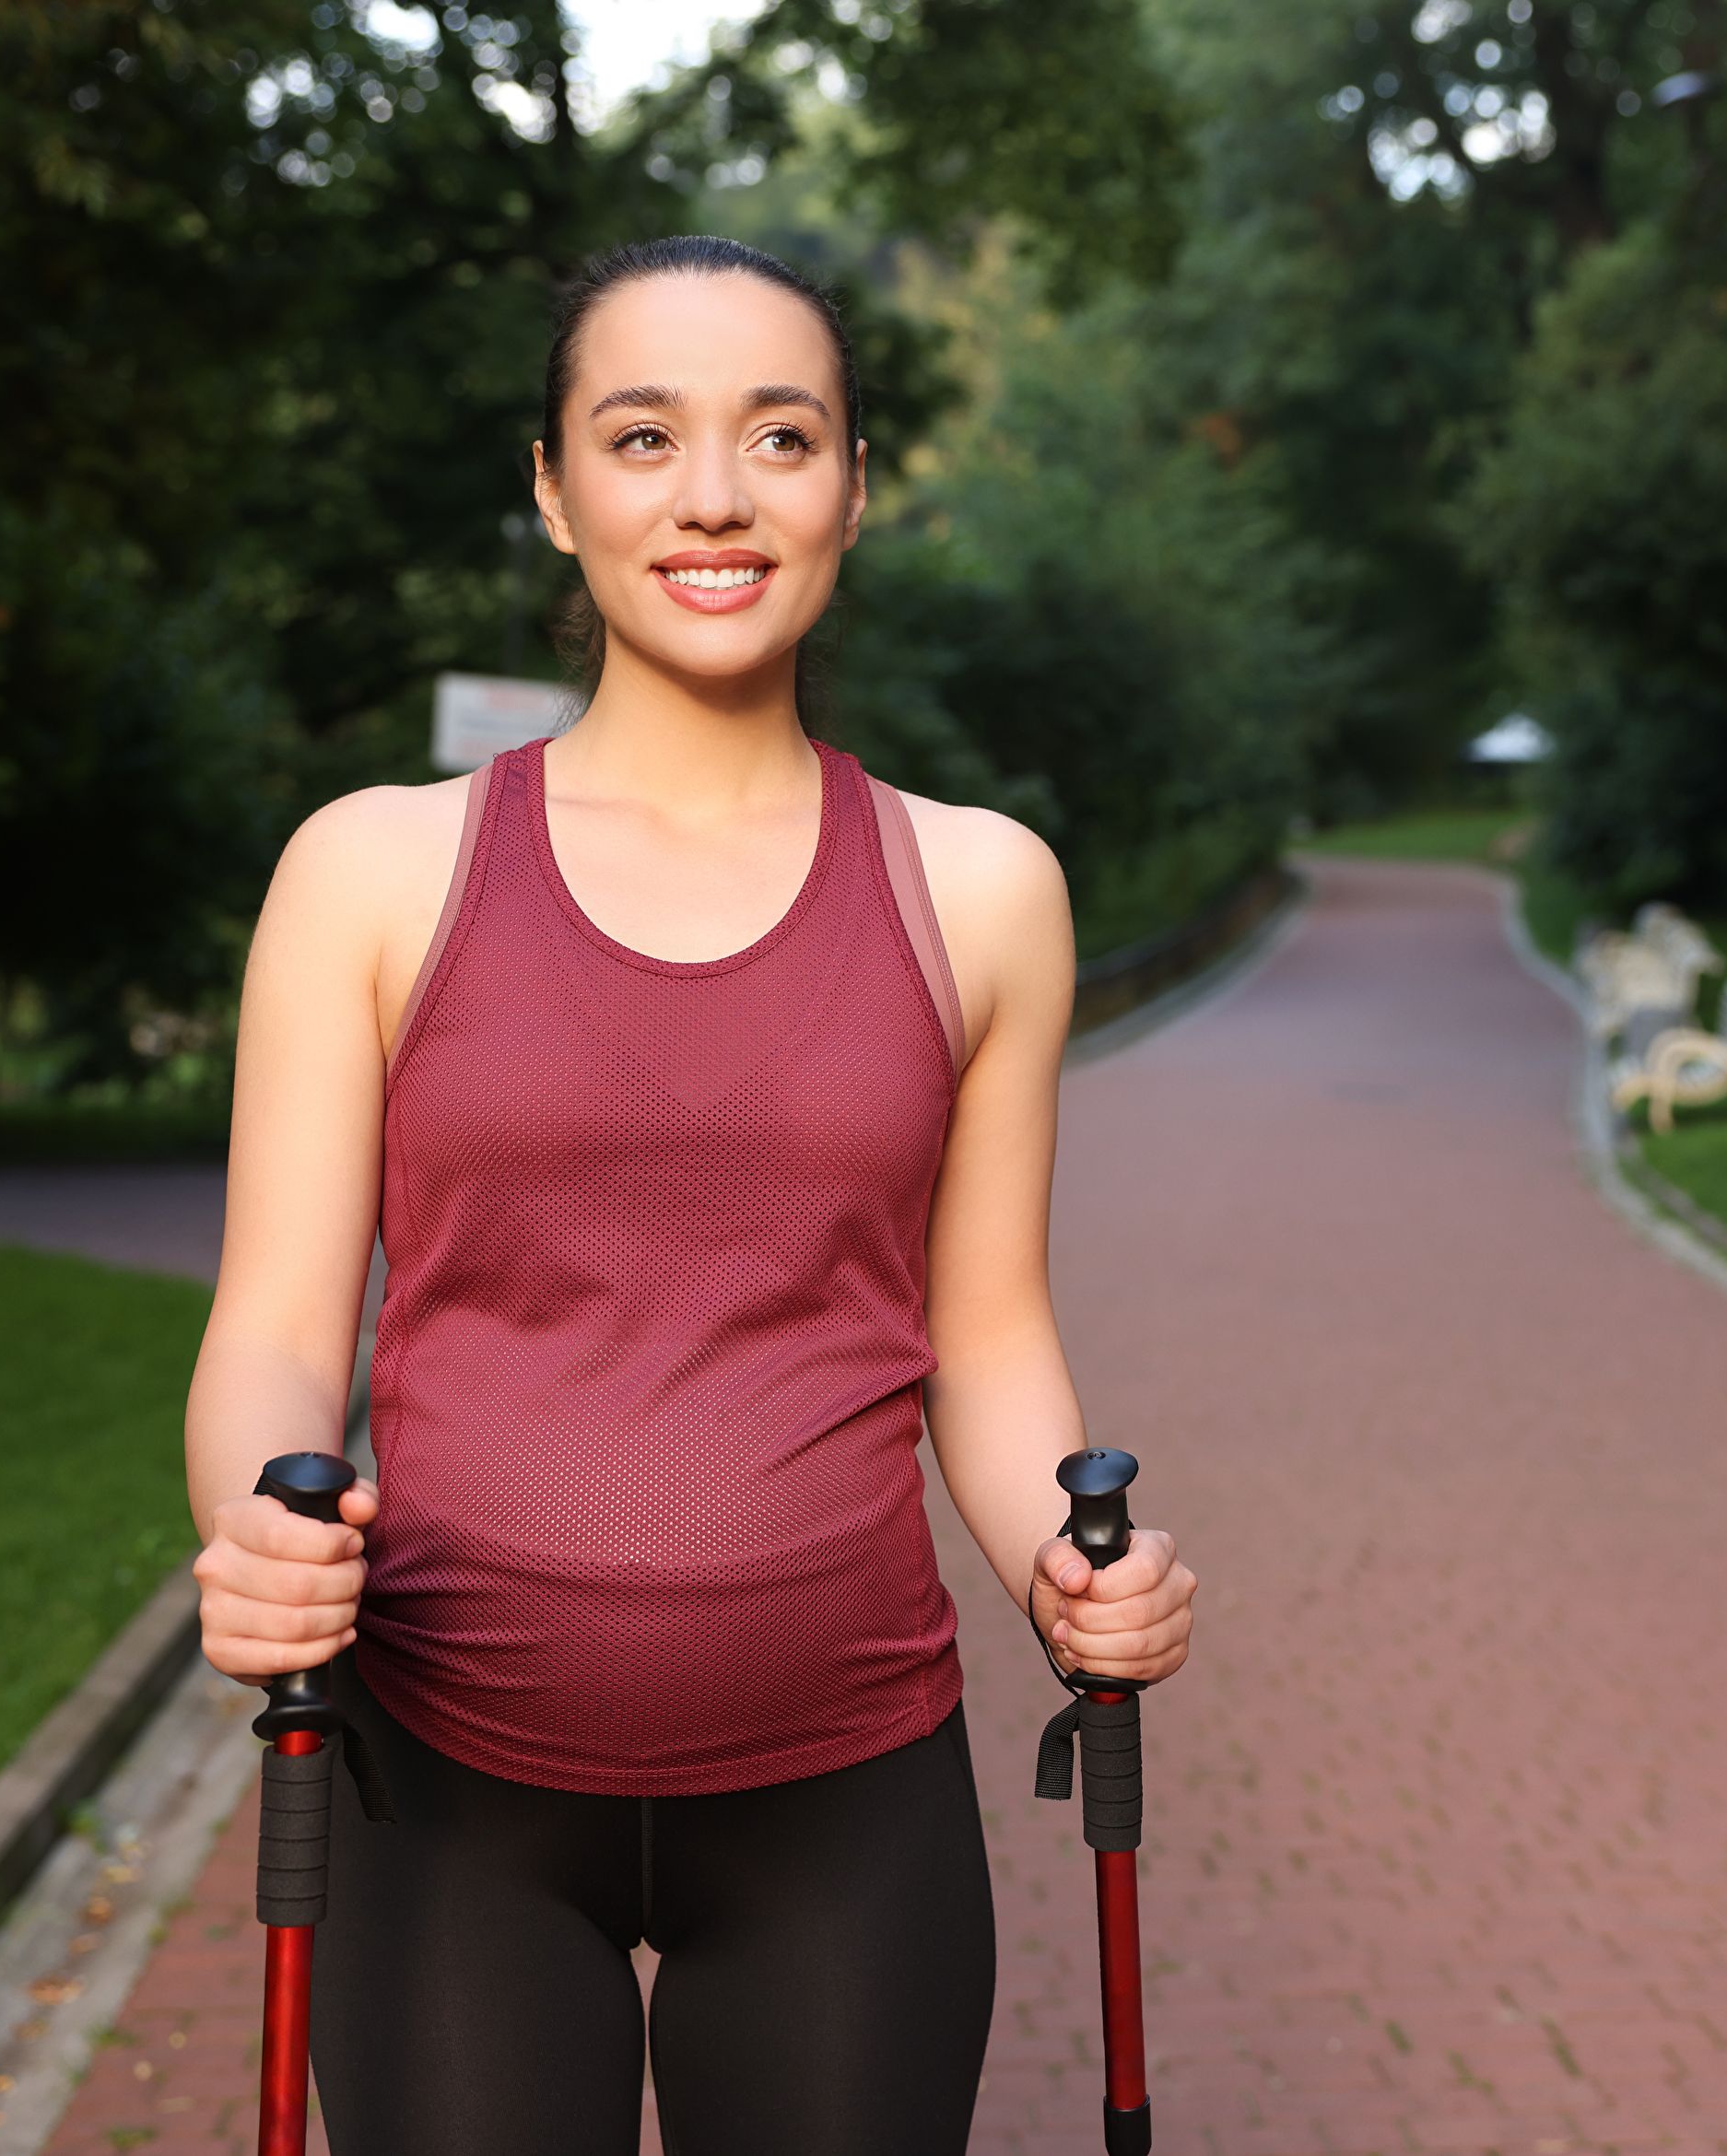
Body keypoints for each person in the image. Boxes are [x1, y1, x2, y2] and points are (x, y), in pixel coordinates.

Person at [180, 235, 1199, 2153]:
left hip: (847, 1799)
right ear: (556, 491)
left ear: (852, 486)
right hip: (446, 1794)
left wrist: (1073, 1580)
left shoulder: (978, 889)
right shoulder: (372, 874)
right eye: (641, 438)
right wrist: (255, 1525)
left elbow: (980, 1337)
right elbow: (277, 1328)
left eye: (779, 435)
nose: (713, 497)